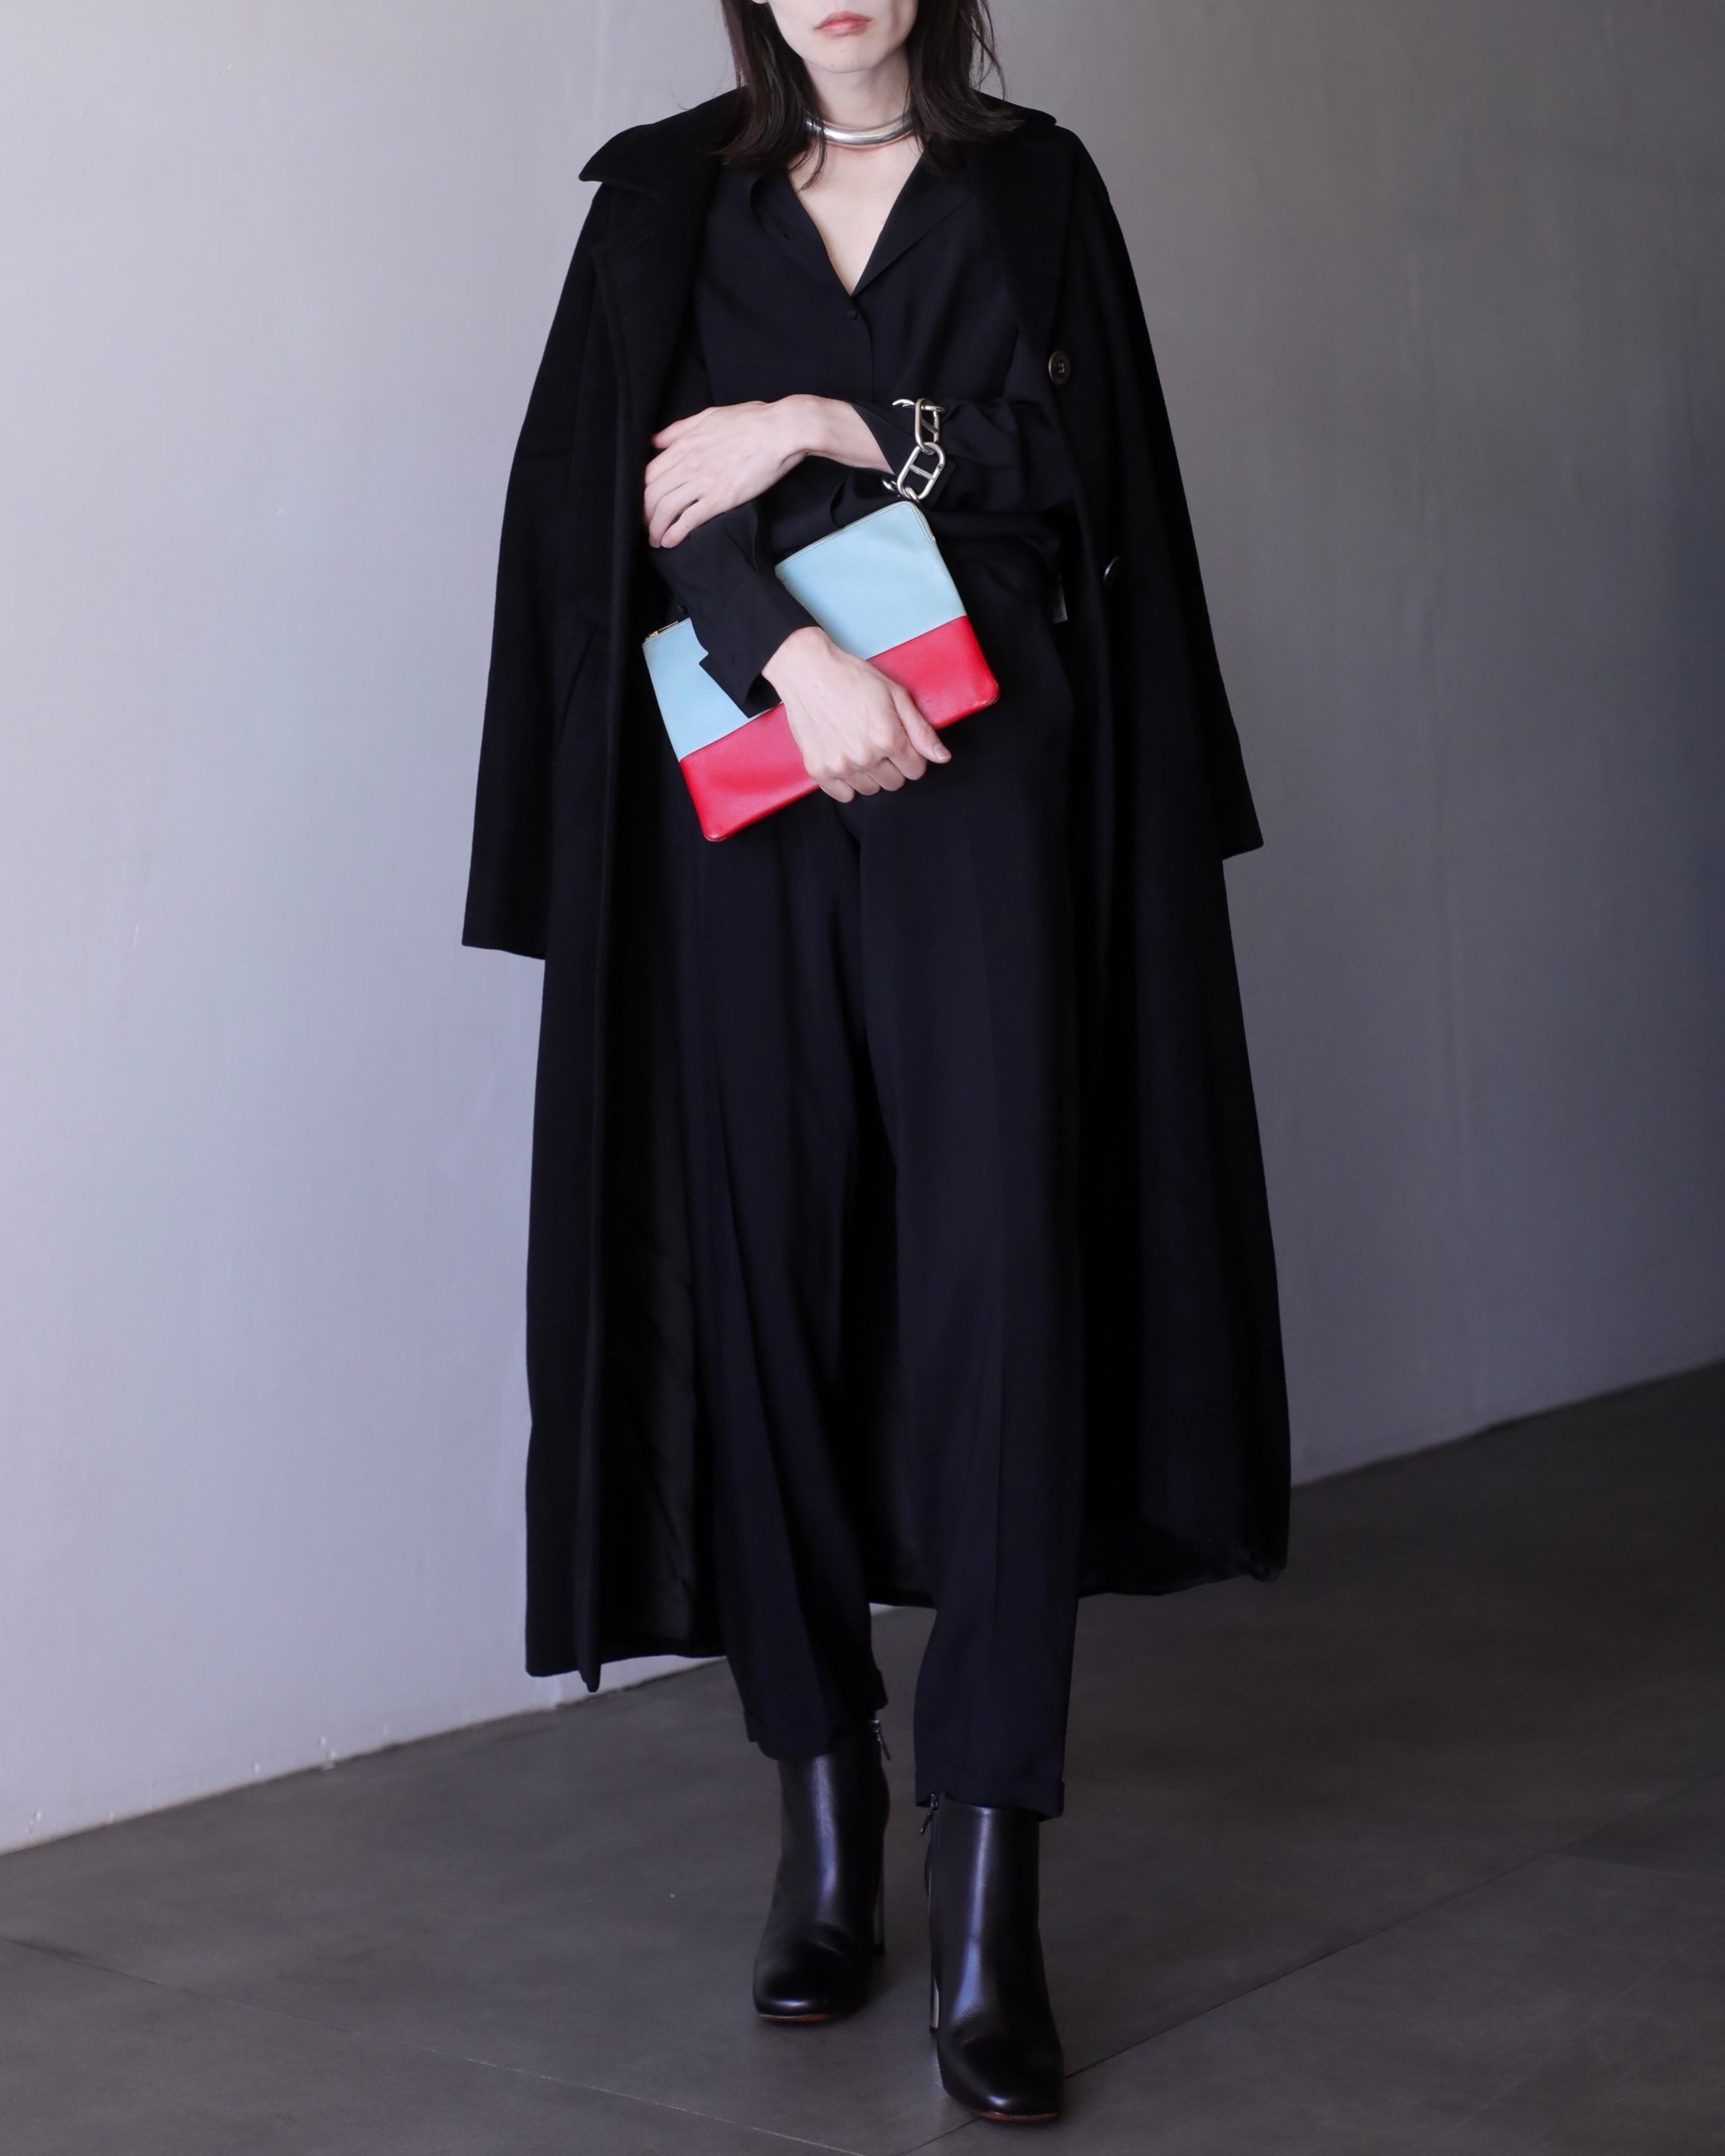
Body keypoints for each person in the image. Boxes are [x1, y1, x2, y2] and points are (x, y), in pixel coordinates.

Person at [463, 0, 1290, 2126]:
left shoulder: (1034, 186)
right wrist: (798, 656)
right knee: (765, 1283)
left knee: (1008, 1292)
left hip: (991, 780)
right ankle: (823, 1816)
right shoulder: (668, 200)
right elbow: (631, 498)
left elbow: (1082, 473)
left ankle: (994, 1889)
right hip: (744, 781)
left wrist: (829, 419)